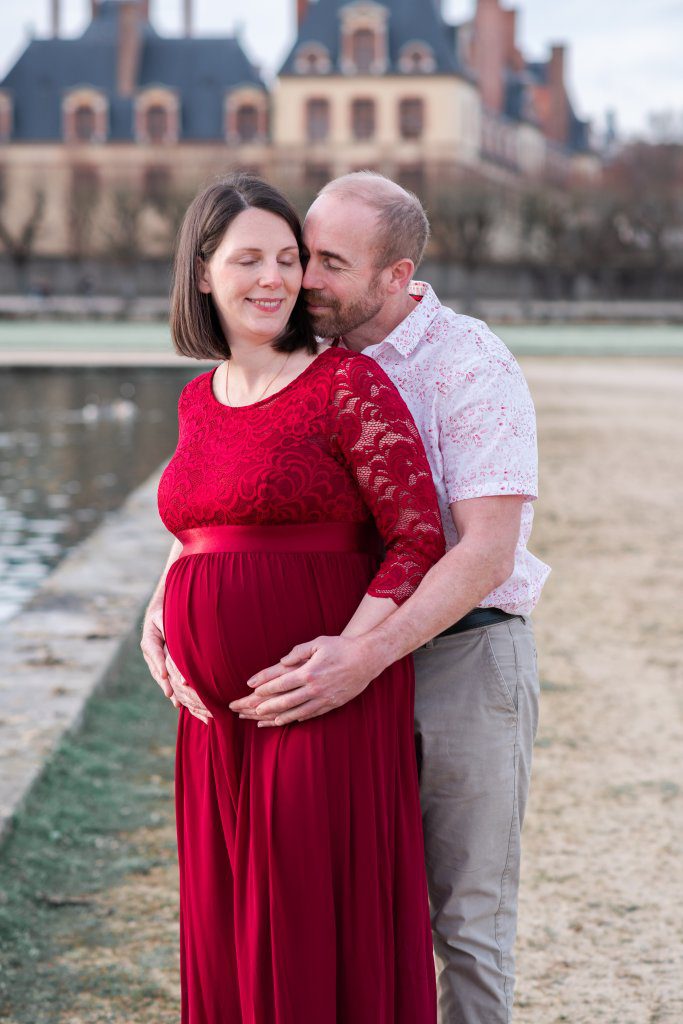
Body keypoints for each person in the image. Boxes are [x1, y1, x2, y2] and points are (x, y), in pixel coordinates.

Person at [227, 173, 551, 1024]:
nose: (303, 278)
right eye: (303, 254)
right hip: (340, 669)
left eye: (330, 263)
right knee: (352, 907)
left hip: (461, 661)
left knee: (467, 923)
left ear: (397, 275)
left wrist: (365, 656)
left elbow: (485, 551)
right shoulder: (301, 355)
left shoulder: (469, 363)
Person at [141, 173, 445, 1023]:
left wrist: (347, 657)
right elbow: (200, 526)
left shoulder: (346, 384)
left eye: (288, 258)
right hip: (212, 721)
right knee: (228, 923)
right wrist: (158, 613)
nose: (274, 278)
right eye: (249, 259)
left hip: (321, 701)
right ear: (203, 273)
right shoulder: (197, 399)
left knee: (305, 920)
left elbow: (418, 538)